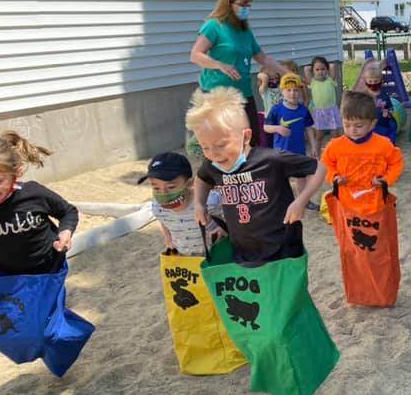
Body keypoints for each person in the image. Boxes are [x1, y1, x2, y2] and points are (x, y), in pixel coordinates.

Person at [186, 87, 321, 264]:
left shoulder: (271, 159)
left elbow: (320, 168)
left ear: (246, 136)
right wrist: (199, 204)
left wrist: (301, 201)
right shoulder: (213, 165)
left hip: (282, 252)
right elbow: (202, 178)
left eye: (220, 144)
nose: (213, 153)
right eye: (205, 147)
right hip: (243, 253)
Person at [189, 0, 286, 146]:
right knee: (223, 142)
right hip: (218, 95)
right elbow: (196, 55)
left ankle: (248, 170)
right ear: (228, 4)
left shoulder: (245, 31)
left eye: (248, 6)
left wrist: (286, 72)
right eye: (242, 5)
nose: (245, 9)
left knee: (251, 140)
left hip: (243, 93)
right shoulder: (214, 26)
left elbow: (262, 57)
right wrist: (220, 65)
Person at [0, 132, 77, 275]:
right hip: (6, 277)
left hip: (48, 270)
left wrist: (65, 232)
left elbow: (68, 211)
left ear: (17, 172)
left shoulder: (33, 194)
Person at [311, 91, 404, 216]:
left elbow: (396, 162)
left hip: (376, 205)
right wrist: (334, 177)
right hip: (346, 206)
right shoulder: (335, 145)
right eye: (347, 125)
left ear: (372, 124)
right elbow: (325, 164)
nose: (352, 130)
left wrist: (386, 179)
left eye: (358, 126)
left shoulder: (383, 144)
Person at [137, 152, 223, 256]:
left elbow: (228, 216)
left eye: (171, 187)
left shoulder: (209, 200)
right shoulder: (158, 207)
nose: (163, 193)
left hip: (215, 253)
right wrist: (169, 241)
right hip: (184, 254)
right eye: (156, 188)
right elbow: (164, 222)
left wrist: (224, 230)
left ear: (190, 183)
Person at [263, 73, 317, 158]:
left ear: (300, 91)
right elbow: (266, 127)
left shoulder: (304, 110)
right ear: (282, 91)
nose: (292, 93)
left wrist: (313, 146)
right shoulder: (276, 109)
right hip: (281, 153)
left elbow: (309, 129)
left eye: (296, 90)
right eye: (288, 90)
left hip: (299, 152)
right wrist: (278, 128)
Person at [305, 56, 342, 161]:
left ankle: (337, 154)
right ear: (313, 71)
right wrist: (311, 68)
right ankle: (317, 155)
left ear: (327, 70)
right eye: (317, 69)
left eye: (323, 69)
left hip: (331, 111)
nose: (320, 72)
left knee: (335, 134)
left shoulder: (330, 80)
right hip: (319, 113)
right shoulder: (312, 82)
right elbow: (306, 70)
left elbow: (333, 66)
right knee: (319, 136)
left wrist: (328, 67)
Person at [362, 61, 398, 144]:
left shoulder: (384, 95)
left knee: (392, 125)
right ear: (365, 81)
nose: (373, 84)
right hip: (370, 122)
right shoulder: (365, 95)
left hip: (383, 121)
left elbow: (391, 107)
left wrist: (388, 112)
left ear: (381, 81)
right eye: (370, 82)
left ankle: (389, 143)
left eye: (375, 81)